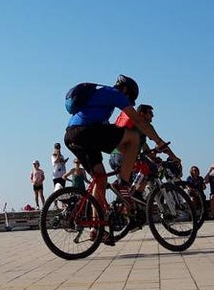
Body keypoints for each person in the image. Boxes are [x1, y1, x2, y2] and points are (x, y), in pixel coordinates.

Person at [62, 75, 167, 239]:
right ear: (125, 90)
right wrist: (158, 142)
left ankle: (96, 229)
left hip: (71, 136)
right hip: (85, 132)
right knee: (134, 137)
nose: (128, 102)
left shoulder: (101, 103)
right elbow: (138, 120)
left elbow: (112, 138)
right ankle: (123, 184)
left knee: (101, 178)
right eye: (130, 98)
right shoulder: (113, 93)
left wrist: (128, 156)